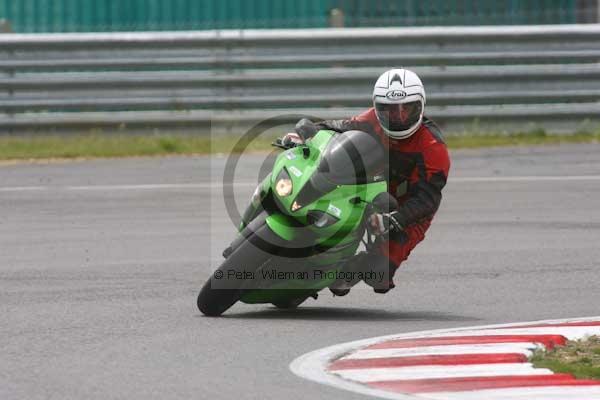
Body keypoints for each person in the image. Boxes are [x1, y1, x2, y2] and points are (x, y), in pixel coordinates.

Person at [283, 68, 451, 295]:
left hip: (408, 209)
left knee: (378, 274)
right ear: (377, 107)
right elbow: (339, 127)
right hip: (368, 188)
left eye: (406, 109)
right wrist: (308, 134)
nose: (399, 117)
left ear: (420, 106)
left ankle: (357, 265)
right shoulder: (371, 119)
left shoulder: (433, 147)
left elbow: (427, 200)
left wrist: (395, 219)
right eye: (390, 110)